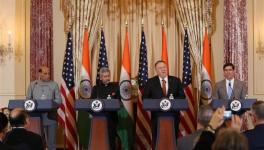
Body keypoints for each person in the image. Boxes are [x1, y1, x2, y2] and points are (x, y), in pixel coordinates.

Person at [143, 60, 185, 147]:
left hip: (173, 116)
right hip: (157, 117)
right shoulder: (150, 82)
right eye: (160, 68)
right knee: (157, 140)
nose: (163, 69)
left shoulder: (176, 80)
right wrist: (156, 102)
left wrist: (173, 101)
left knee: (172, 140)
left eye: (164, 67)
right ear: (156, 70)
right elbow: (145, 98)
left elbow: (182, 96)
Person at [26, 66, 61, 150]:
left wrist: (51, 103)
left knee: (51, 142)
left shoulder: (54, 84)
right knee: (38, 141)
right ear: (40, 74)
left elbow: (59, 100)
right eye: (45, 73)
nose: (48, 75)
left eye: (49, 73)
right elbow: (28, 100)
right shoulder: (33, 84)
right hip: (36, 117)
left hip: (50, 116)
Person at [91, 67, 120, 150]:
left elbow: (119, 102)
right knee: (99, 141)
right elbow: (91, 103)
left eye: (108, 76)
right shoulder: (96, 88)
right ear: (100, 78)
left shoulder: (115, 87)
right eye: (105, 76)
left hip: (111, 119)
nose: (107, 78)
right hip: (98, 119)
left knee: (111, 141)